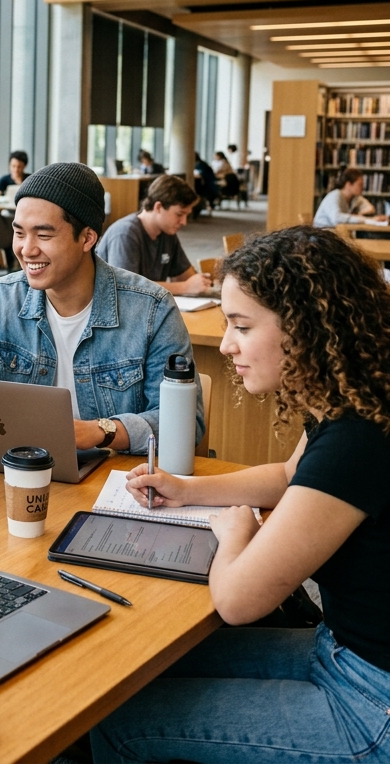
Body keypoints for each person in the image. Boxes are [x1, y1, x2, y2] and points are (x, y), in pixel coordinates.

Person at [92, 227, 390, 762]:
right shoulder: (355, 401)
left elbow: (236, 601)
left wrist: (238, 534)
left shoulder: (356, 442)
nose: (226, 344)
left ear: (305, 329)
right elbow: (287, 477)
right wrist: (186, 489)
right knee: (138, 669)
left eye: (241, 326)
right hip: (345, 651)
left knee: (120, 720)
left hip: (370, 702)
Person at [0, 163, 203, 455]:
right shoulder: (0, 299)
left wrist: (100, 431)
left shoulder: (152, 310)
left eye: (43, 235)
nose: (26, 250)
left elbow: (184, 424)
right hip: (22, 468)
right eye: (19, 233)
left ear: (87, 238)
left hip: (112, 480)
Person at [95, 174, 212, 295]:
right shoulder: (125, 234)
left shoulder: (167, 232)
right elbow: (127, 290)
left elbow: (186, 276)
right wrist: (184, 287)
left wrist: (201, 282)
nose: (184, 222)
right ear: (158, 207)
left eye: (186, 215)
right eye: (179, 214)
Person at [313, 166, 387, 227]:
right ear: (348, 184)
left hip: (333, 235)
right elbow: (336, 219)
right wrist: (361, 219)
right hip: (323, 238)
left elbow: (370, 208)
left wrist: (367, 217)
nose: (362, 187)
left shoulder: (353, 198)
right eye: (359, 185)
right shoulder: (335, 195)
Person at [193, 151, 219, 218]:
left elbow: (201, 175)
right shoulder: (201, 164)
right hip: (209, 184)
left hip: (207, 186)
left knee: (195, 190)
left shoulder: (200, 165)